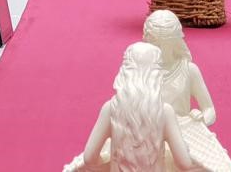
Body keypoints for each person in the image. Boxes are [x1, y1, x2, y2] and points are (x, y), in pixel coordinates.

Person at [63, 42, 208, 172]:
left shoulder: (110, 109)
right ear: (156, 74)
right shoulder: (165, 112)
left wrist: (106, 163)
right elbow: (184, 163)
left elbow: (89, 158)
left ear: (125, 72)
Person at [141, 11, 231, 171]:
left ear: (175, 42)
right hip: (149, 134)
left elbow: (210, 109)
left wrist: (201, 118)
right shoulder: (141, 71)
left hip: (183, 133)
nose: (160, 49)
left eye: (165, 44)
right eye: (155, 44)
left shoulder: (189, 70)